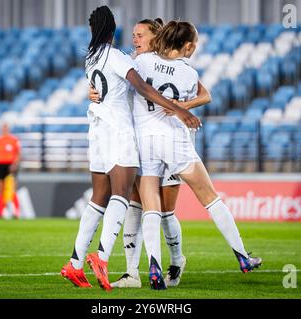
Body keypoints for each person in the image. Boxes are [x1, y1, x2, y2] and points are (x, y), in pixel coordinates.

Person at [60, 5, 200, 292]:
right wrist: (180, 110)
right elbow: (144, 89)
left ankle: (75, 264)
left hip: (101, 130)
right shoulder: (120, 57)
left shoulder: (92, 56)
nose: (135, 38)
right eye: (132, 34)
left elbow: (105, 86)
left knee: (101, 198)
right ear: (113, 29)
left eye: (140, 34)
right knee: (124, 197)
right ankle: (103, 259)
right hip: (123, 133)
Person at [132, 20, 262, 290]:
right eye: (195, 45)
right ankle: (241, 256)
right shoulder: (189, 73)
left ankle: (154, 266)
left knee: (151, 206)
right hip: (174, 140)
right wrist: (182, 107)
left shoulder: (142, 62)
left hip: (145, 141)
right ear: (188, 46)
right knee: (210, 198)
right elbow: (202, 96)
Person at [0, 122, 21, 219]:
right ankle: (1, 212)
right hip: (0, 165)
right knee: (1, 189)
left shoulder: (14, 140)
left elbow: (18, 154)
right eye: (3, 128)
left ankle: (16, 212)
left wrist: (15, 164)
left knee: (12, 189)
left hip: (10, 165)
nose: (5, 129)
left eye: (6, 128)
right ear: (1, 129)